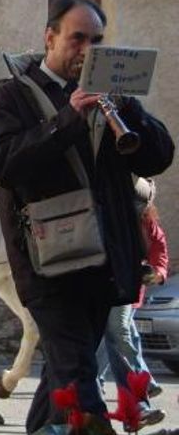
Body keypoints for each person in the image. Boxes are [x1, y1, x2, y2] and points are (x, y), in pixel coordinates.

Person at [0, 0, 174, 433]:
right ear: (50, 38)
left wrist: (128, 111)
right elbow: (3, 164)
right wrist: (68, 117)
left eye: (97, 39)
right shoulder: (9, 98)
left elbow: (159, 156)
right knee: (81, 387)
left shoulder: (112, 93)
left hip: (104, 262)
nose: (87, 49)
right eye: (77, 38)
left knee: (66, 372)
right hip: (49, 264)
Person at [96, 178, 166, 423]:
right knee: (109, 346)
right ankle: (134, 401)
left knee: (119, 336)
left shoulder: (145, 222)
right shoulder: (103, 213)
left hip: (124, 291)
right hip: (100, 290)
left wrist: (156, 272)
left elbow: (159, 249)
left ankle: (138, 399)